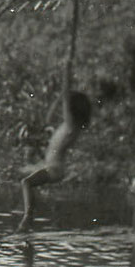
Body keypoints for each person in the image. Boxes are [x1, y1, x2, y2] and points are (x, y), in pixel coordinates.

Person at [16, 77, 91, 233]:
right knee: (25, 179)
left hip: (54, 169)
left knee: (26, 183)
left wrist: (67, 70)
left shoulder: (71, 127)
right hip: (52, 167)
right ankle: (28, 219)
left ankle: (28, 217)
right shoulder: (68, 127)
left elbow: (64, 97)